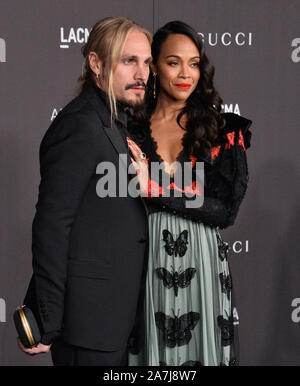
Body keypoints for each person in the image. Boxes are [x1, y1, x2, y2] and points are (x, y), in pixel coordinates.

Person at [17, 17, 152, 366]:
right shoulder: (79, 125)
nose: (142, 73)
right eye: (129, 60)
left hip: (118, 318)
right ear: (96, 63)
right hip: (88, 324)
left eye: (147, 62)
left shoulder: (115, 122)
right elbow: (52, 225)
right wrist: (47, 319)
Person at [127, 20, 252, 366]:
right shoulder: (128, 128)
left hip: (201, 261)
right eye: (173, 62)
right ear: (153, 66)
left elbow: (226, 211)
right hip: (143, 260)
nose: (186, 73)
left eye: (194, 63)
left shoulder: (220, 130)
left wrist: (156, 189)